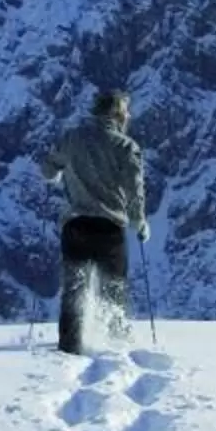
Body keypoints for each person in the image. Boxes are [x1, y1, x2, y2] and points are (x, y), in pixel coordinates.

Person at [41, 87, 150, 354]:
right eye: (126, 111)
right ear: (116, 113)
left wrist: (54, 174)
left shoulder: (72, 138)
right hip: (109, 229)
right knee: (113, 290)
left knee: (74, 287)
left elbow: (48, 168)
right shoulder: (126, 146)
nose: (129, 116)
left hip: (75, 225)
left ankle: (69, 346)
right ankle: (115, 347)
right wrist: (140, 222)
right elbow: (135, 189)